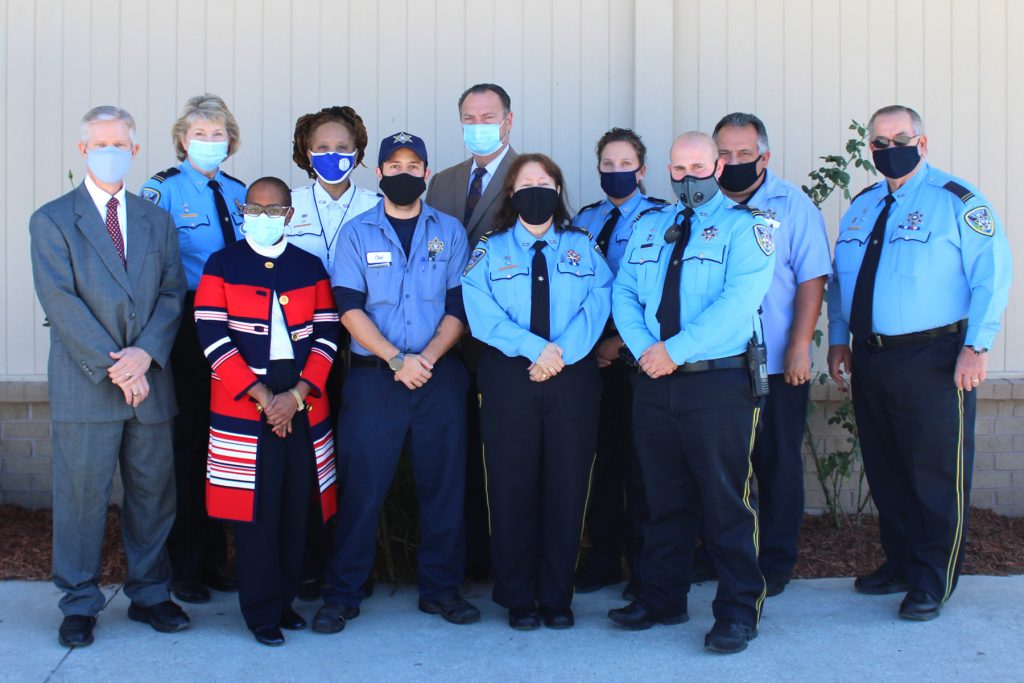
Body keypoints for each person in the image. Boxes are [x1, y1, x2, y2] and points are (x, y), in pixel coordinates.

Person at [827, 105, 1012, 621]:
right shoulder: (861, 207)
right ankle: (901, 563)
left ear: (923, 143)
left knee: (934, 474)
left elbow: (991, 274)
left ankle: (933, 578)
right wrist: (839, 340)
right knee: (887, 471)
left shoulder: (957, 201)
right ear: (870, 150)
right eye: (880, 142)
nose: (891, 149)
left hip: (935, 358)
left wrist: (977, 346)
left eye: (901, 138)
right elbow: (842, 283)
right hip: (872, 357)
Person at [609, 132, 775, 654]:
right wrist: (643, 349)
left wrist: (673, 350)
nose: (688, 178)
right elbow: (625, 292)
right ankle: (662, 597)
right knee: (663, 498)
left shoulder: (749, 229)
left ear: (720, 167)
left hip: (718, 383)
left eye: (698, 167)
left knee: (726, 502)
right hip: (655, 381)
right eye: (678, 169)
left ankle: (737, 609)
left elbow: (737, 302)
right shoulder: (650, 226)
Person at [30, 105, 189, 648]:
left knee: (153, 495)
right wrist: (117, 365)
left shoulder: (155, 220)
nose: (110, 152)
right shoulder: (52, 220)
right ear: (82, 151)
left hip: (150, 381)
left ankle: (149, 594)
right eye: (100, 144)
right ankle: (78, 602)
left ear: (135, 151)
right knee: (81, 498)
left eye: (120, 143)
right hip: (88, 384)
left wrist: (145, 355)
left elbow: (172, 294)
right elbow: (61, 300)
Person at [314, 132, 479, 633]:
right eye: (394, 165)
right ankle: (343, 594)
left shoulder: (448, 231)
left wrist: (424, 359)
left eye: (414, 165)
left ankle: (441, 590)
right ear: (379, 173)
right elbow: (347, 308)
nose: (404, 173)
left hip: (438, 377)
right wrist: (394, 360)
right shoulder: (358, 233)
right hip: (374, 381)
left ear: (427, 174)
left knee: (443, 487)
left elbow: (458, 307)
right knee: (362, 489)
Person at [462, 153, 613, 630]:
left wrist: (561, 353)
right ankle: (518, 597)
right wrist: (533, 349)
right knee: (511, 486)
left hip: (572, 378)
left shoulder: (582, 245)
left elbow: (600, 302)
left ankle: (556, 596)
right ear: (511, 194)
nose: (535, 189)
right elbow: (479, 310)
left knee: (568, 486)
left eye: (544, 182)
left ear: (558, 190)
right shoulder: (492, 248)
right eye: (526, 183)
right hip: (511, 377)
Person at [193, 176, 339, 646]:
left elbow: (328, 334)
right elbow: (213, 339)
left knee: (298, 504)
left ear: (289, 215)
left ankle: (285, 601)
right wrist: (262, 397)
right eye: (253, 209)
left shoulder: (310, 266)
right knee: (255, 510)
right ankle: (259, 612)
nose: (263, 217)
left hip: (301, 399)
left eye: (274, 209)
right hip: (245, 400)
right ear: (243, 212)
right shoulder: (222, 264)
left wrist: (295, 396)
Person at [712, 112, 832, 596]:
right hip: (718, 364)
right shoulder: (704, 206)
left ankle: (776, 561)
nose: (734, 162)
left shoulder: (792, 205)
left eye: (745, 154)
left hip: (778, 363)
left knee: (777, 463)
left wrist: (801, 346)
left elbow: (811, 279)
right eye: (725, 154)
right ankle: (724, 554)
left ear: (765, 156)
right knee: (723, 466)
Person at [140, 93, 247, 604]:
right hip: (187, 325)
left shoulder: (239, 192)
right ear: (182, 139)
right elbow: (148, 266)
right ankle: (185, 566)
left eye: (219, 133)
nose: (210, 142)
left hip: (237, 324)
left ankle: (216, 560)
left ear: (231, 140)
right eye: (200, 134)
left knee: (224, 443)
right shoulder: (161, 191)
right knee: (187, 445)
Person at [426, 83, 521, 581]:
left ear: (508, 121)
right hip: (443, 342)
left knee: (501, 453)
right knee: (454, 454)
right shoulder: (441, 181)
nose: (477, 125)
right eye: (468, 117)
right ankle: (462, 561)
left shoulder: (527, 175)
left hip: (501, 339)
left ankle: (498, 560)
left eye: (488, 116)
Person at [288, 105, 381, 601]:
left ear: (358, 151)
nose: (332, 156)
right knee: (309, 459)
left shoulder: (377, 203)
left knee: (356, 458)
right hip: (303, 352)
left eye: (343, 148)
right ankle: (308, 564)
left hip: (363, 348)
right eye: (321, 148)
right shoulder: (287, 205)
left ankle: (354, 568)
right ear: (305, 152)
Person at [570, 128, 666, 598]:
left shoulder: (661, 219)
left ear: (642, 169)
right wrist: (589, 346)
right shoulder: (585, 220)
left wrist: (620, 346)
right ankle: (603, 557)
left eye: (625, 163)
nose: (616, 172)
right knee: (601, 463)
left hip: (637, 361)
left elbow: (657, 294)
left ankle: (646, 566)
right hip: (590, 362)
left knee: (643, 465)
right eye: (607, 165)